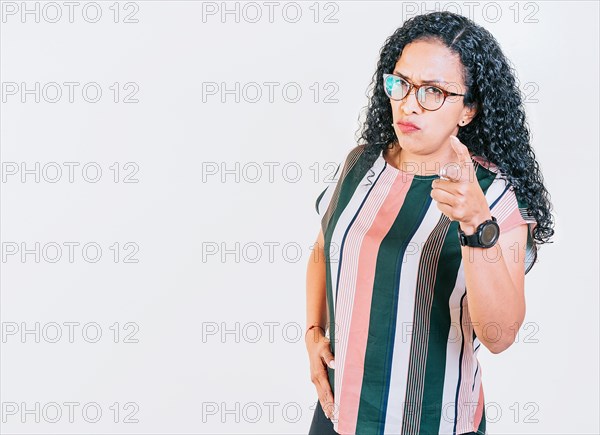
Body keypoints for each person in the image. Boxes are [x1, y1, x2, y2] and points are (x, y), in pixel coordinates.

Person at [304, 11, 555, 435]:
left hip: (435, 422)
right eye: (400, 83)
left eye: (433, 91)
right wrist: (314, 332)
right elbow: (323, 249)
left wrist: (477, 223)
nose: (409, 102)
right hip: (338, 414)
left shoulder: (494, 195)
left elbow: (500, 335)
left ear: (468, 109)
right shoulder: (359, 165)